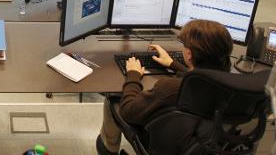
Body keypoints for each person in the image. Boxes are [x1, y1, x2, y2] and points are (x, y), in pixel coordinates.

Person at [96, 19, 233, 155]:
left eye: (184, 45)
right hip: (202, 143)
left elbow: (128, 111)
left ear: (189, 54)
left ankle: (108, 150)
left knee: (112, 97)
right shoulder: (233, 85)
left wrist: (133, 76)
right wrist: (173, 64)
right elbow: (198, 79)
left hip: (166, 142)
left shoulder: (170, 87)